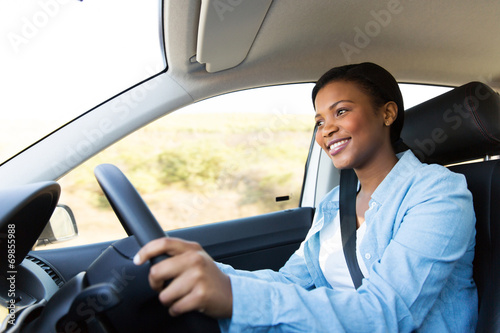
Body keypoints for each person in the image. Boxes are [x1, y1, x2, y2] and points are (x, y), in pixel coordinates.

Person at [133, 62, 478, 332]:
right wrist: (210, 271)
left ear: (387, 113)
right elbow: (291, 281)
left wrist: (236, 297)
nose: (326, 129)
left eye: (341, 111)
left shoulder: (438, 194)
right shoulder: (332, 204)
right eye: (319, 121)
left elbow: (386, 316)